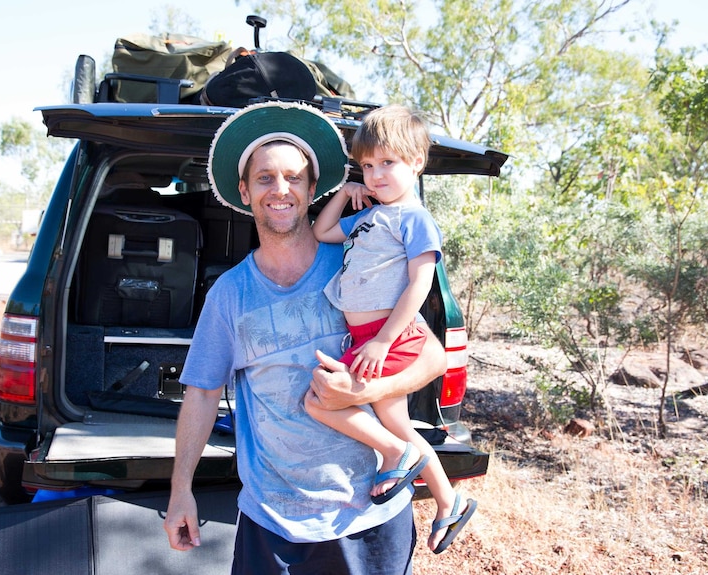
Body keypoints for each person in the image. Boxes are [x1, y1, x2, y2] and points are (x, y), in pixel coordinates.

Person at [163, 101, 447, 574]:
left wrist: (364, 390)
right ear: (244, 190)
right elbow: (202, 393)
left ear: (313, 188)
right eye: (265, 178)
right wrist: (180, 491)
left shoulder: (360, 265)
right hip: (273, 524)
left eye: (294, 177)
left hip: (371, 515)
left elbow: (433, 358)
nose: (281, 190)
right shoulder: (229, 295)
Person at [307, 104, 476, 554]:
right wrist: (346, 193)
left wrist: (383, 340)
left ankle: (393, 456)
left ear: (417, 162)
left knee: (319, 400)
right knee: (398, 424)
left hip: (390, 337)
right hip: (369, 339)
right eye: (367, 165)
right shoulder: (368, 217)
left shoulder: (414, 219)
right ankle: (448, 500)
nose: (376, 175)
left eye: (388, 163)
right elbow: (322, 232)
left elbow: (421, 284)